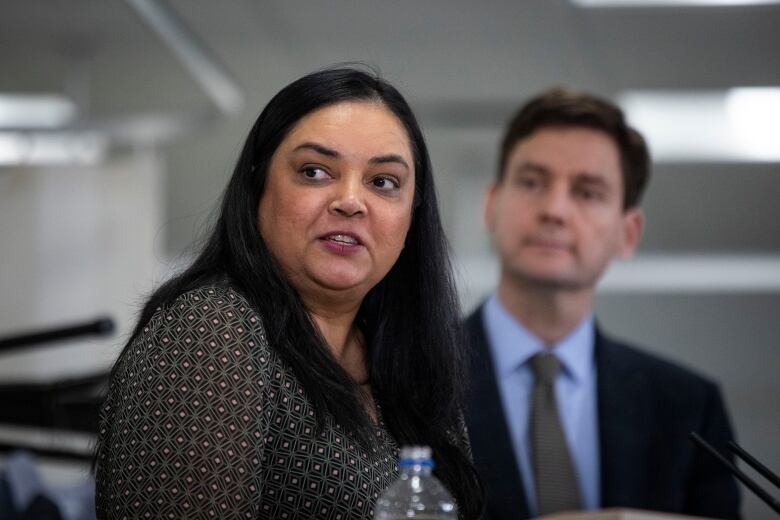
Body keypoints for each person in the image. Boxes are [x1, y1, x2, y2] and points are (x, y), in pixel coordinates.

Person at [95, 67, 483, 519]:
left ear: (413, 214)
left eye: (383, 182)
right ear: (259, 185)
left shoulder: (410, 358)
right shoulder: (211, 326)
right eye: (315, 171)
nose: (351, 201)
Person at [464, 88, 740, 520]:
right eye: (532, 182)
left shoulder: (687, 407)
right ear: (491, 205)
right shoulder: (401, 379)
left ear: (628, 233)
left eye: (588, 192)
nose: (554, 210)